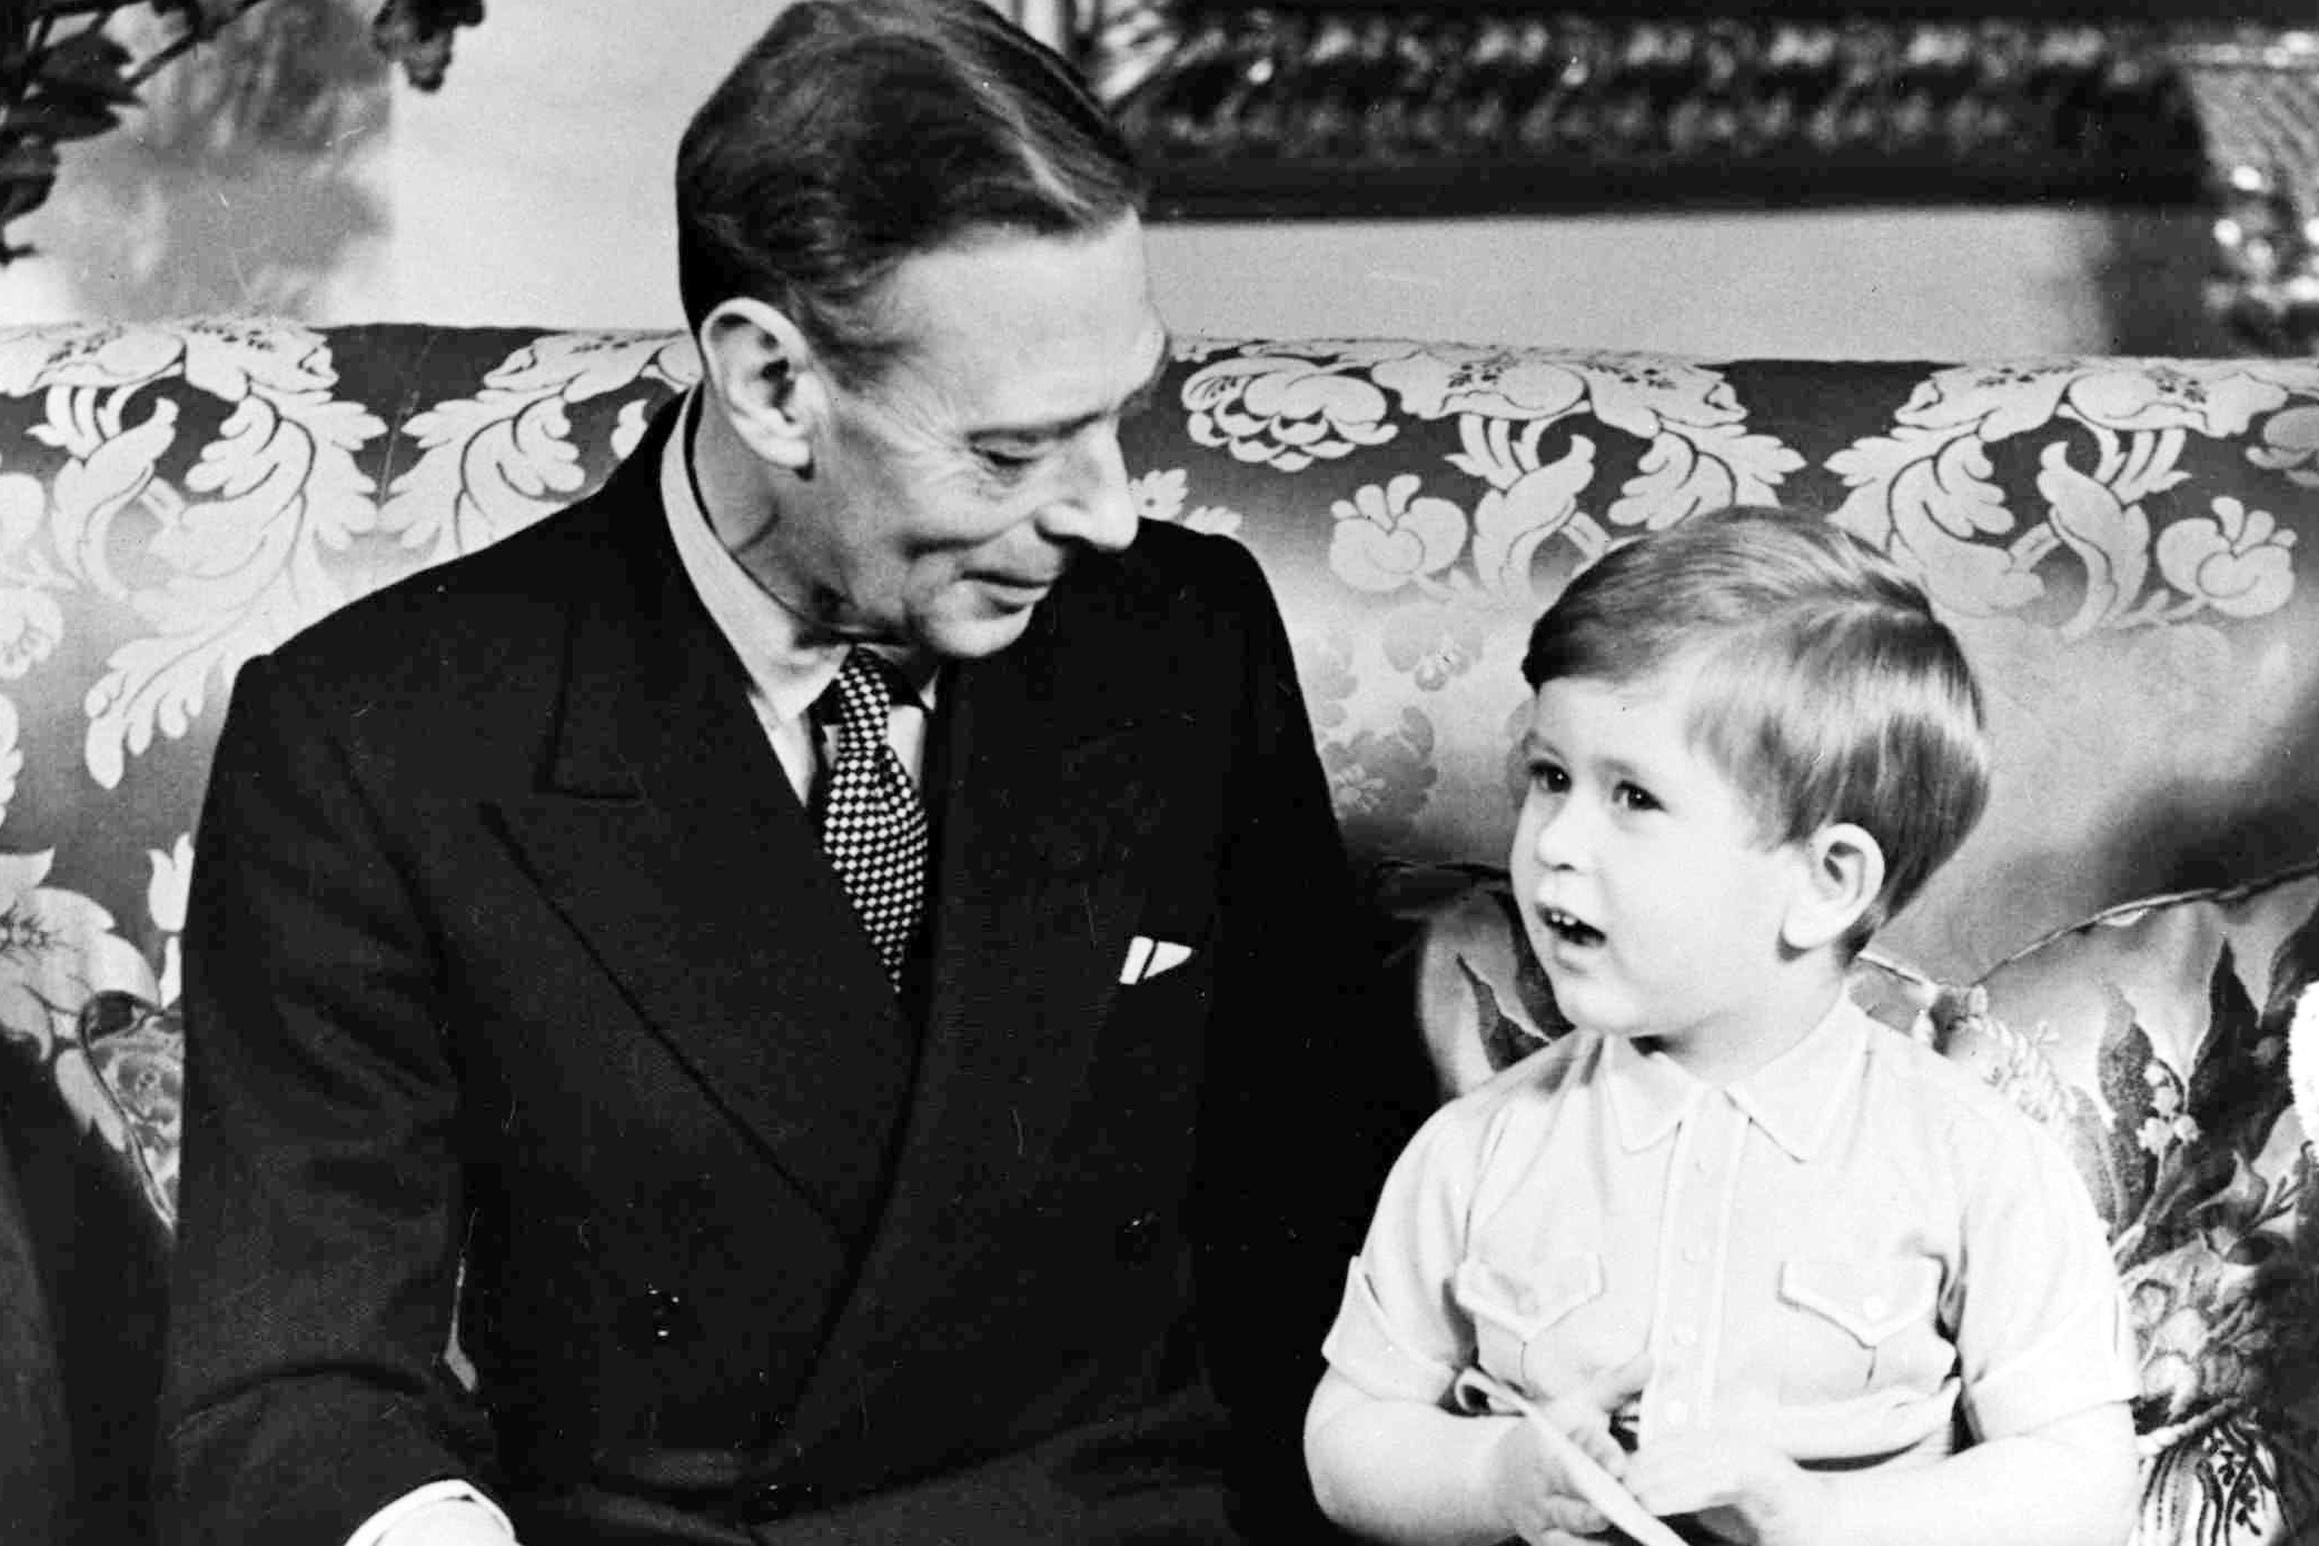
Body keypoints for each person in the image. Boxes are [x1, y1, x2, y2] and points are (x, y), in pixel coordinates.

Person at [157, 2, 1419, 1541]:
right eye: (1013, 452)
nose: (1102, 511)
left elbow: (1317, 1213)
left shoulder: (1181, 640)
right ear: (767, 384)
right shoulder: (373, 739)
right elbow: (292, 1379)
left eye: (1122, 413)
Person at [1303, 508, 2142, 1546]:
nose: (1555, 840)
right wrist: (1495, 1477)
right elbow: (1348, 1437)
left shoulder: (1975, 1159)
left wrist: (1831, 1517)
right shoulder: (1477, 1149)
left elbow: (2085, 1476)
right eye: (1550, 777)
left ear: (1826, 884)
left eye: (1634, 798)